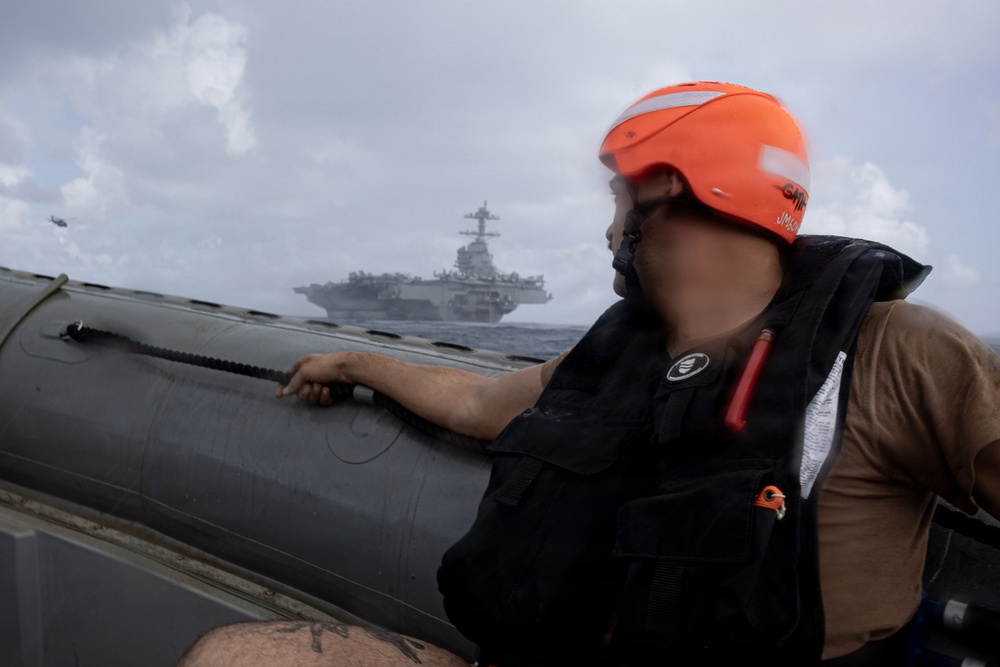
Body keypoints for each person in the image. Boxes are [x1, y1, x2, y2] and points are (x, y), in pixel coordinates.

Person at [181, 82, 1000, 666]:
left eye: (619, 196)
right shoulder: (618, 354)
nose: (608, 224)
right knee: (231, 655)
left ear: (669, 192)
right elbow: (475, 400)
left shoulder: (902, 351)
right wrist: (354, 359)